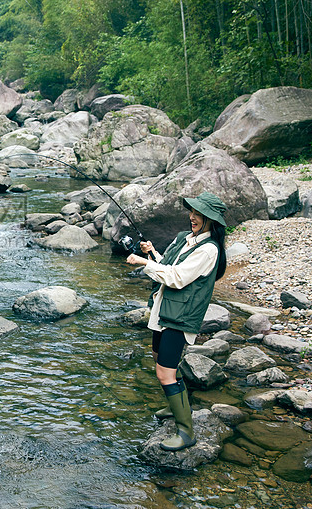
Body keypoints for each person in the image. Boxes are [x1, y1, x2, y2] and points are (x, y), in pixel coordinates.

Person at [125, 191, 227, 451]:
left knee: (164, 372)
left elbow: (178, 278)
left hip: (180, 317)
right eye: (192, 212)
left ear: (211, 220)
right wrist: (152, 254)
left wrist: (141, 263)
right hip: (165, 312)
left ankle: (186, 431)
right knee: (159, 357)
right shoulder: (187, 239)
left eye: (199, 215)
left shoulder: (209, 250)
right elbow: (169, 266)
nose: (192, 217)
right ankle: (176, 407)